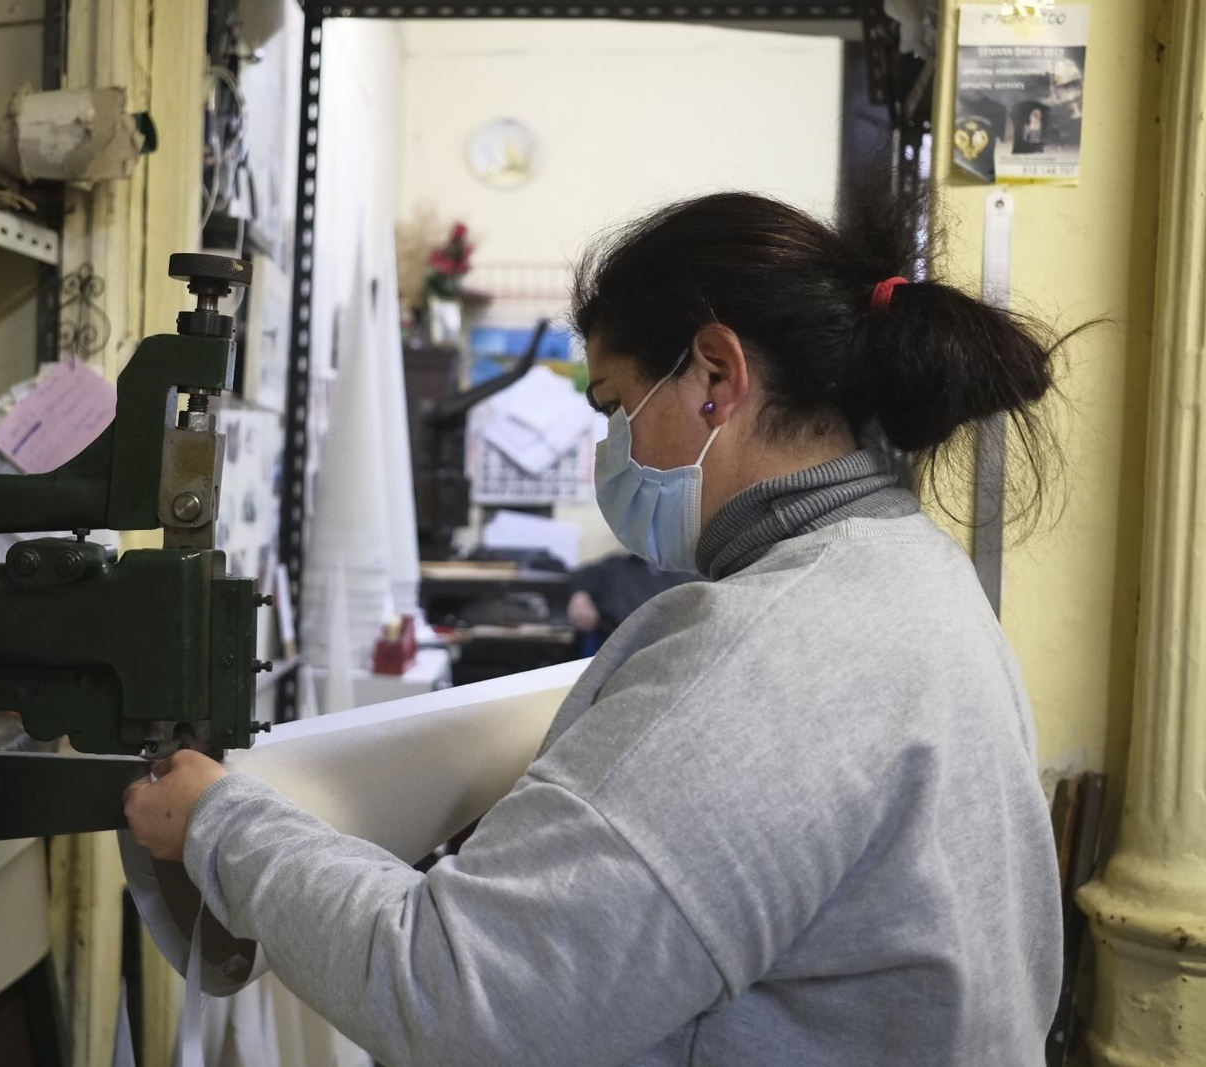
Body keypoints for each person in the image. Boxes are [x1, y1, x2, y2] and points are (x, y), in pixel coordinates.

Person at [125, 183, 1068, 1066]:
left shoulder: (762, 651)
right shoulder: (911, 570)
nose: (612, 450)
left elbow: (455, 993)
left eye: (616, 406)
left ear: (715, 375)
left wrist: (219, 817)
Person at [567, 552, 698, 654]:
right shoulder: (614, 566)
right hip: (619, 649)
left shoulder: (688, 571)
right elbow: (580, 575)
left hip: (672, 649)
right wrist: (580, 596)